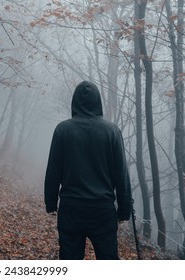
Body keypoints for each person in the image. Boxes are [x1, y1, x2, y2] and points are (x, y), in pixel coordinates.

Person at [44, 81, 131, 260]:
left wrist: (51, 203)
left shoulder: (63, 130)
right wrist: (124, 209)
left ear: (74, 102)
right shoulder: (112, 131)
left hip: (71, 209)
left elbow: (54, 169)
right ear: (98, 102)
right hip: (103, 210)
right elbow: (121, 174)